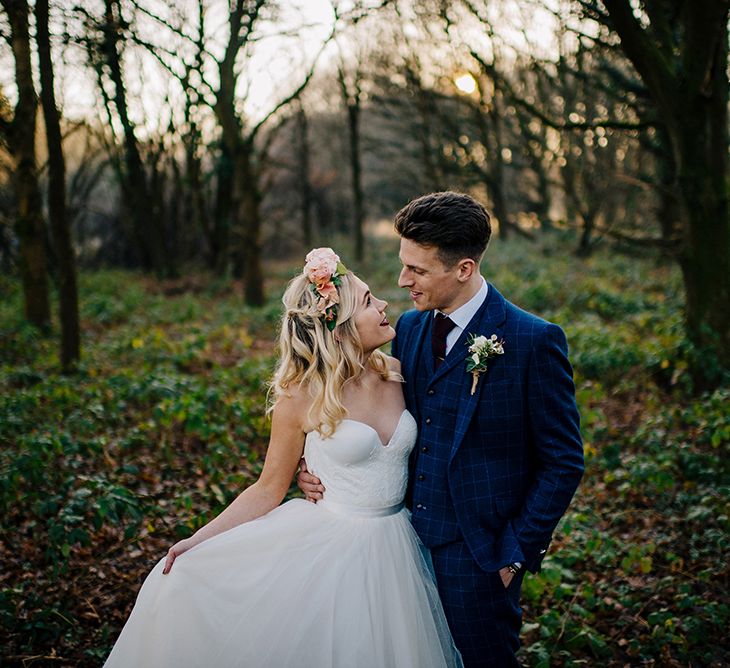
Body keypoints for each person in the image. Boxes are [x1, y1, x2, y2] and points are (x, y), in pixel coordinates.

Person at [104, 248, 463, 668]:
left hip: (400, 543)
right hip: (332, 551)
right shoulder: (300, 396)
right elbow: (267, 488)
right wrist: (199, 540)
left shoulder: (398, 371)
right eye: (368, 301)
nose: (384, 304)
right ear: (339, 326)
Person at [299, 192, 584, 667]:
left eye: (417, 270)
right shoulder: (406, 330)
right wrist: (316, 466)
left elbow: (563, 460)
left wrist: (514, 555)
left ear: (464, 269)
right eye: (402, 264)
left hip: (480, 560)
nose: (401, 280)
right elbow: (354, 412)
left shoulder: (533, 341)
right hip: (395, 549)